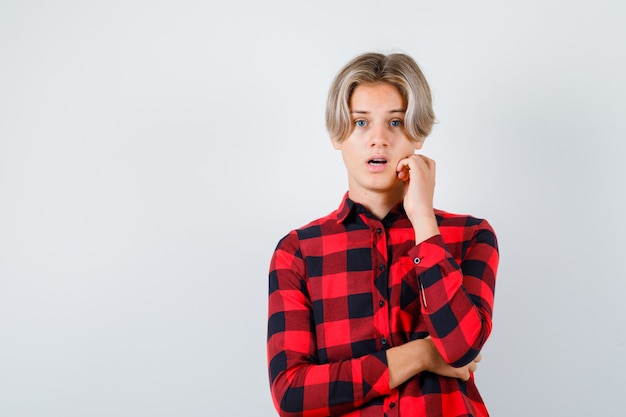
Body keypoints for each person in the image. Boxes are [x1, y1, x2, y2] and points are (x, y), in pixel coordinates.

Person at [266, 52, 499, 417]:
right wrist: (421, 354)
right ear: (336, 134)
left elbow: (460, 348)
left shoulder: (470, 236)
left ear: (418, 134)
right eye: (361, 122)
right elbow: (292, 395)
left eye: (395, 122)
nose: (378, 139)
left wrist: (423, 217)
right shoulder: (299, 252)